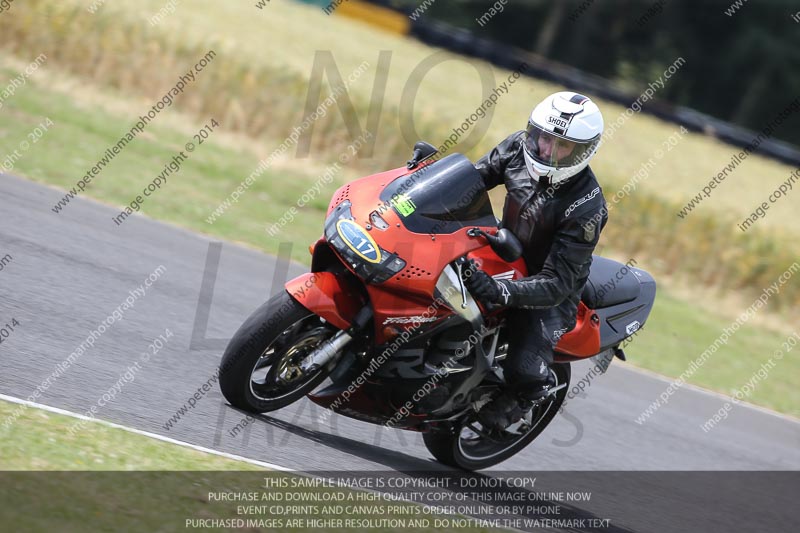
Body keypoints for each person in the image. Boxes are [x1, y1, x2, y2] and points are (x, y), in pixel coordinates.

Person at [466, 91, 608, 431]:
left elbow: (558, 282)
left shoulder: (586, 206)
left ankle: (531, 394)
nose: (547, 150)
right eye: (544, 137)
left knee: (524, 366)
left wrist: (501, 291)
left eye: (562, 145)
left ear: (583, 150)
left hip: (550, 286)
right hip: (504, 248)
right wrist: (427, 177)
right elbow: (472, 179)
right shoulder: (517, 148)